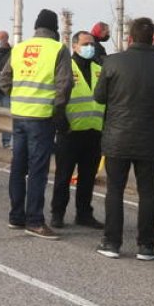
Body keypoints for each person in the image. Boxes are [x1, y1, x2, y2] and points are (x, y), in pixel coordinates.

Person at [93, 17, 154, 261]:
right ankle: (146, 245)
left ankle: (112, 243)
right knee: (147, 192)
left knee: (115, 190)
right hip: (150, 137)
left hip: (117, 135)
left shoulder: (114, 61)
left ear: (130, 37)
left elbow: (99, 97)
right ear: (153, 38)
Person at [0, 9, 72, 240]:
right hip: (42, 118)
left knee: (18, 167)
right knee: (38, 170)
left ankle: (16, 216)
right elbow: (64, 86)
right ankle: (35, 220)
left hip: (19, 115)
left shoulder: (19, 48)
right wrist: (58, 113)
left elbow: (3, 80)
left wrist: (19, 95)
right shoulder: (58, 49)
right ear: (55, 29)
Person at [49, 31, 105, 229]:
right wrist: (60, 121)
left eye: (92, 44)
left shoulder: (100, 69)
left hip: (94, 132)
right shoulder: (66, 67)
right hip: (70, 132)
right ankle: (57, 213)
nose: (90, 47)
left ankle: (84, 214)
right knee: (63, 176)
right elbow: (56, 97)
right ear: (74, 46)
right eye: (85, 44)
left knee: (88, 178)